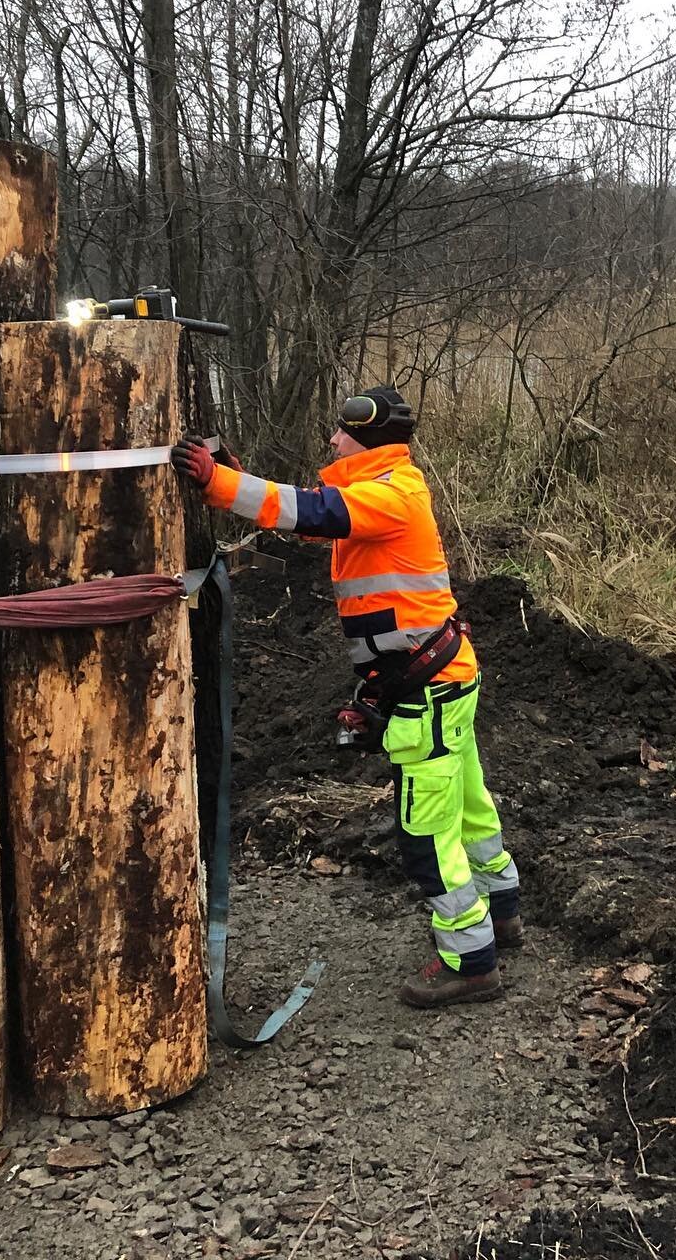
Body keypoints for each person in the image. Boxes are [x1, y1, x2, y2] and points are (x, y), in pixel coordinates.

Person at [172, 386, 520, 1008]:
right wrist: (230, 476)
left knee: (425, 836)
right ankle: (503, 911)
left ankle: (471, 959)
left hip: (428, 689)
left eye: (342, 433)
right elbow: (316, 516)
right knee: (469, 808)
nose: (332, 440)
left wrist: (220, 483)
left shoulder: (392, 494)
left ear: (370, 436)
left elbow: (312, 512)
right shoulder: (378, 494)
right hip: (435, 681)